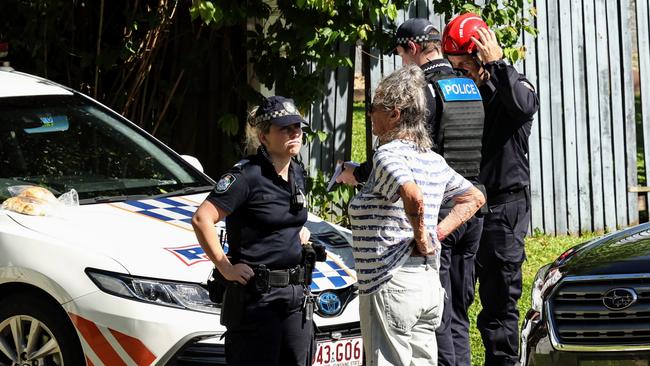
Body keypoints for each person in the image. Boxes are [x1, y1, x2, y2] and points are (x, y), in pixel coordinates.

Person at [339, 18, 486, 366]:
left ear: (394, 114)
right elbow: (474, 197)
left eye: (373, 109)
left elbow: (413, 195)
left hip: (392, 281)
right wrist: (436, 234)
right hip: (428, 281)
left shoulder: (389, 153)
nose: (369, 115)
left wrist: (424, 236)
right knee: (453, 327)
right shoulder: (434, 149)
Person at [443, 13, 539, 366]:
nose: (459, 72)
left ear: (482, 56)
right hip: (465, 209)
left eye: (465, 64)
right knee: (455, 300)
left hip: (503, 209)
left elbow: (525, 106)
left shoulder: (513, 86)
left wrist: (498, 63)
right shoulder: (460, 93)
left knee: (499, 305)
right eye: (453, 65)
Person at [191, 96, 314, 366]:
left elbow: (282, 218)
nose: (295, 133)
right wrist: (225, 267)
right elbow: (202, 219)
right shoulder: (246, 175)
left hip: (295, 296)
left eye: (298, 127)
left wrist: (298, 232)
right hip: (258, 299)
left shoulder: (296, 172)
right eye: (285, 128)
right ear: (264, 136)